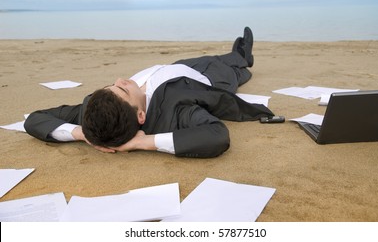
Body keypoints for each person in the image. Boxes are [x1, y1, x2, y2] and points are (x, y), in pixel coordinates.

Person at [24, 27, 275, 158]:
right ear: (141, 116)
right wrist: (144, 142)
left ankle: (234, 54)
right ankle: (243, 58)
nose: (121, 79)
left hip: (176, 67)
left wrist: (81, 134)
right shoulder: (176, 112)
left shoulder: (94, 110)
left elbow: (35, 119)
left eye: (112, 85)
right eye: (123, 88)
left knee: (207, 57)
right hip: (205, 81)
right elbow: (216, 136)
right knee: (232, 72)